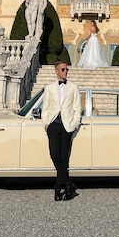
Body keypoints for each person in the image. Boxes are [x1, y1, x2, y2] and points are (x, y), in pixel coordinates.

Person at [42, 61, 81, 201]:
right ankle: (68, 184)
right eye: (63, 69)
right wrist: (46, 123)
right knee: (54, 154)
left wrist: (75, 124)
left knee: (64, 157)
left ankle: (59, 186)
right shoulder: (49, 88)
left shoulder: (73, 87)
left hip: (67, 125)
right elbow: (45, 107)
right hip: (53, 124)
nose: (66, 72)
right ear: (56, 71)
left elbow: (77, 108)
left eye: (67, 69)